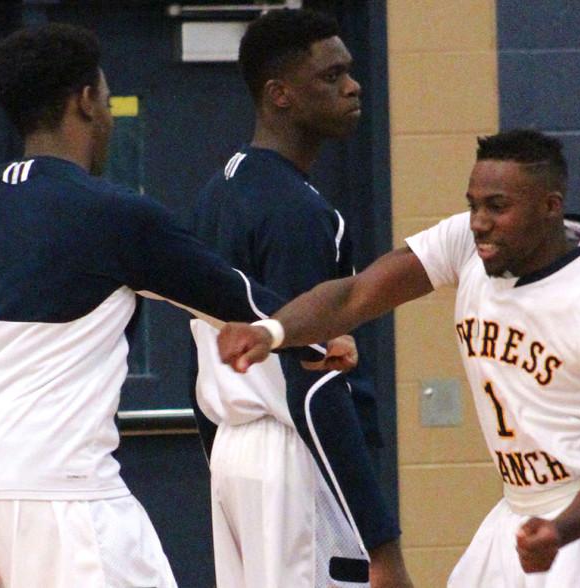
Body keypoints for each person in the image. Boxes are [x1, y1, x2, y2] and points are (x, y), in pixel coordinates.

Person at [0, 23, 347, 587]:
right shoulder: (115, 215)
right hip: (59, 496)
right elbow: (238, 298)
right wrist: (320, 335)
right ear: (86, 102)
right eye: (105, 97)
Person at [217, 129, 580, 587]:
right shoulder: (465, 243)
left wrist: (560, 531)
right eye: (474, 205)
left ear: (550, 207)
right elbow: (355, 295)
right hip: (516, 512)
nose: (478, 222)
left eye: (497, 207)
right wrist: (271, 330)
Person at [188, 9, 410, 588]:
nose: (352, 85)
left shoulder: (218, 193)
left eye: (351, 71)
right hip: (293, 458)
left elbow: (201, 359)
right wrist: (382, 543)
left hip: (234, 463)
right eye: (331, 75)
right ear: (279, 95)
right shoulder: (298, 214)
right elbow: (314, 384)